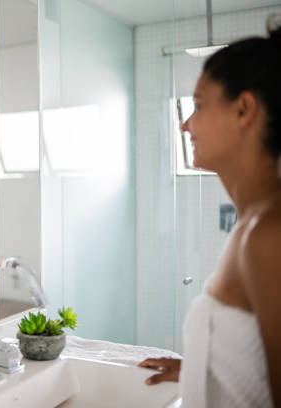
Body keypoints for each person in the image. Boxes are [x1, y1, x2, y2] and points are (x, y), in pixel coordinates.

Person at [138, 15, 281, 408]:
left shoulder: (269, 233)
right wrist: (198, 367)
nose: (186, 125)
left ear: (244, 109)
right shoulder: (254, 221)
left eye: (198, 105)